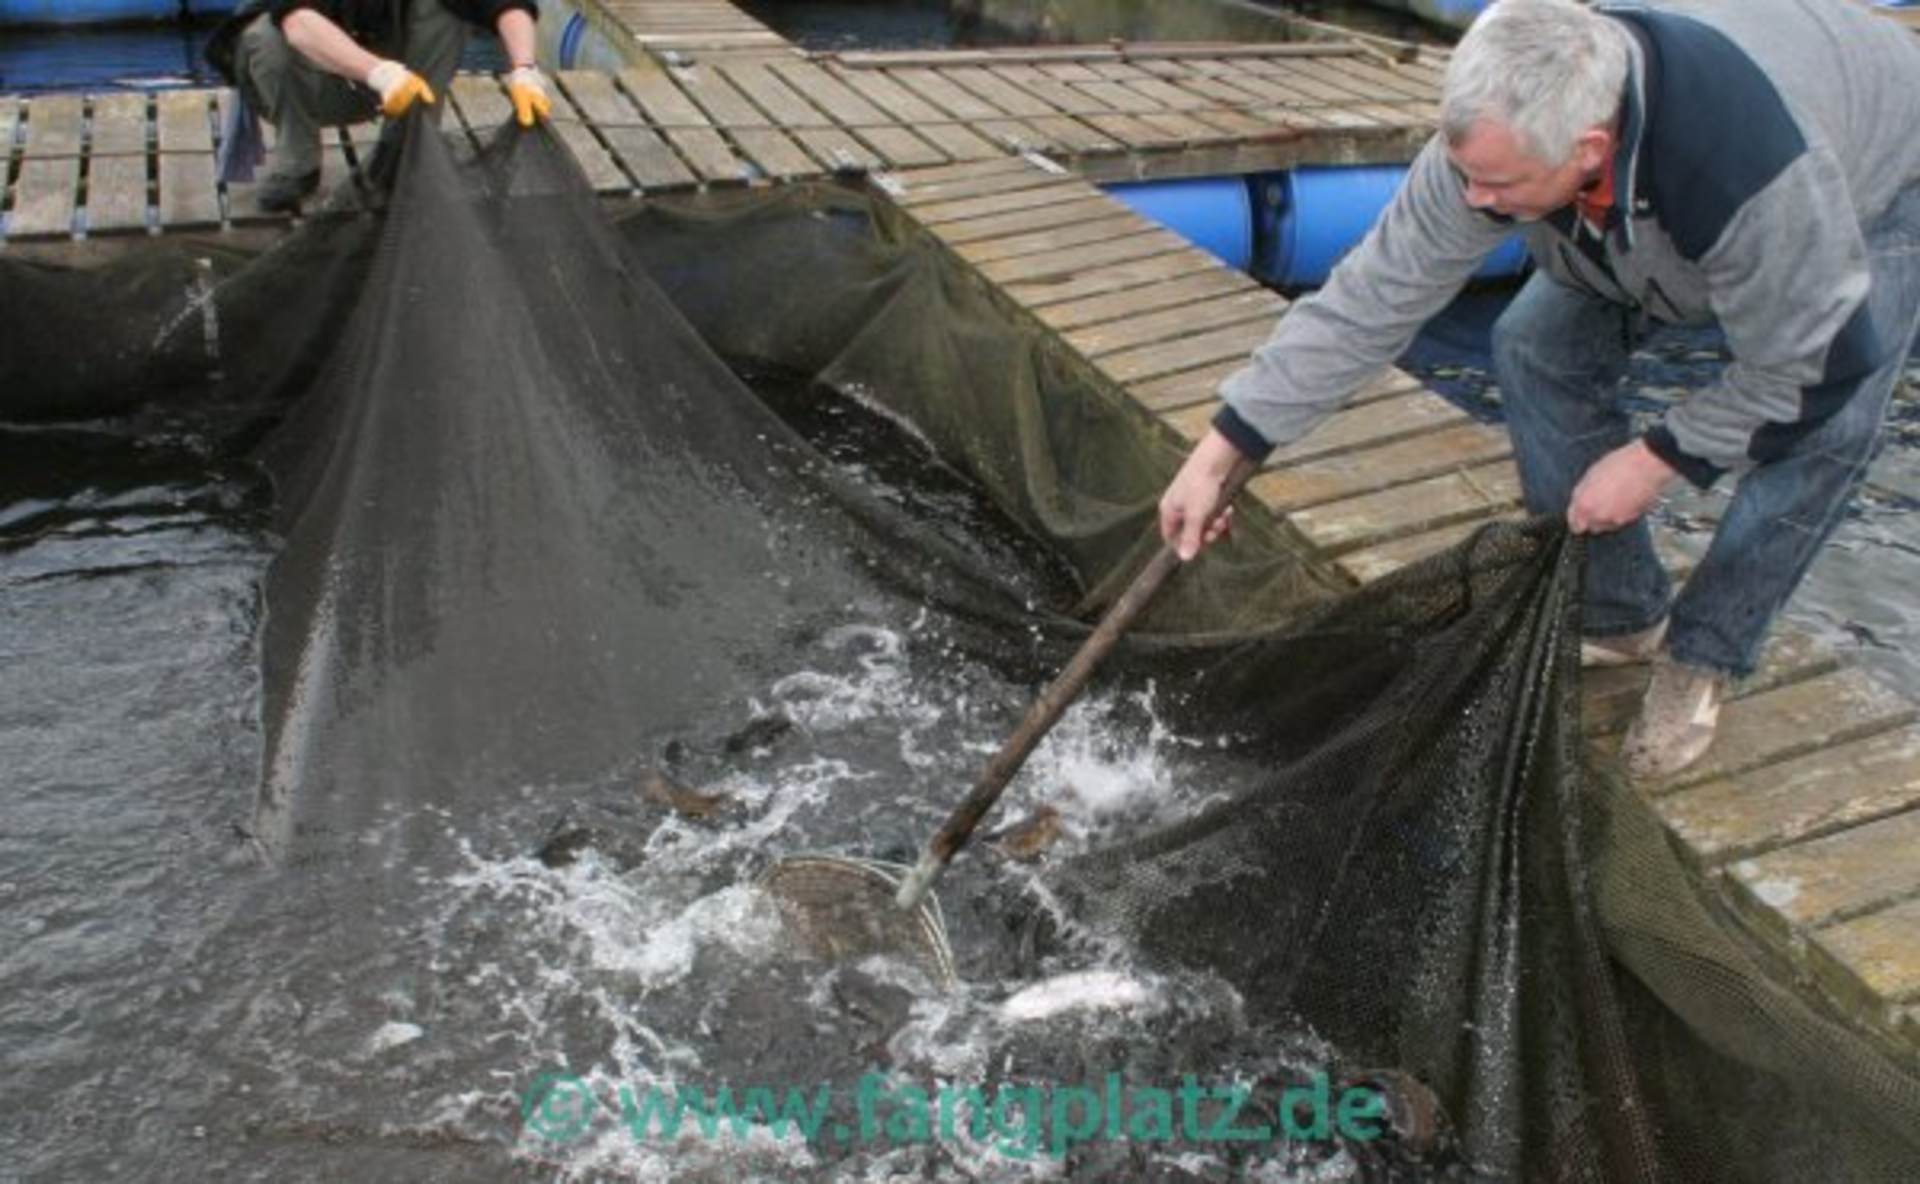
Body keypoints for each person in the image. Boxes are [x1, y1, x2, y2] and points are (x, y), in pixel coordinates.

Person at [1158, 0, 1920, 780]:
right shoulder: (1491, 153)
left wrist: (1659, 457)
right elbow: (1372, 296)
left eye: (1496, 185)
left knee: (1826, 432)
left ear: (1587, 148)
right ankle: (1622, 614)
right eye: (1467, 175)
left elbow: (1815, 361)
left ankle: (1703, 656)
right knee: (1531, 347)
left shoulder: (1746, 171)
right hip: (1637, 211)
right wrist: (1227, 446)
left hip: (1874, 175)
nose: (1476, 203)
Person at [227, 0, 552, 211]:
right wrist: (379, 74)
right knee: (266, 37)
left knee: (447, 11)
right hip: (309, 85)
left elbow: (508, 4)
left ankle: (404, 150)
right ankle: (298, 166)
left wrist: (524, 69)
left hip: (392, 90)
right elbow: (298, 24)